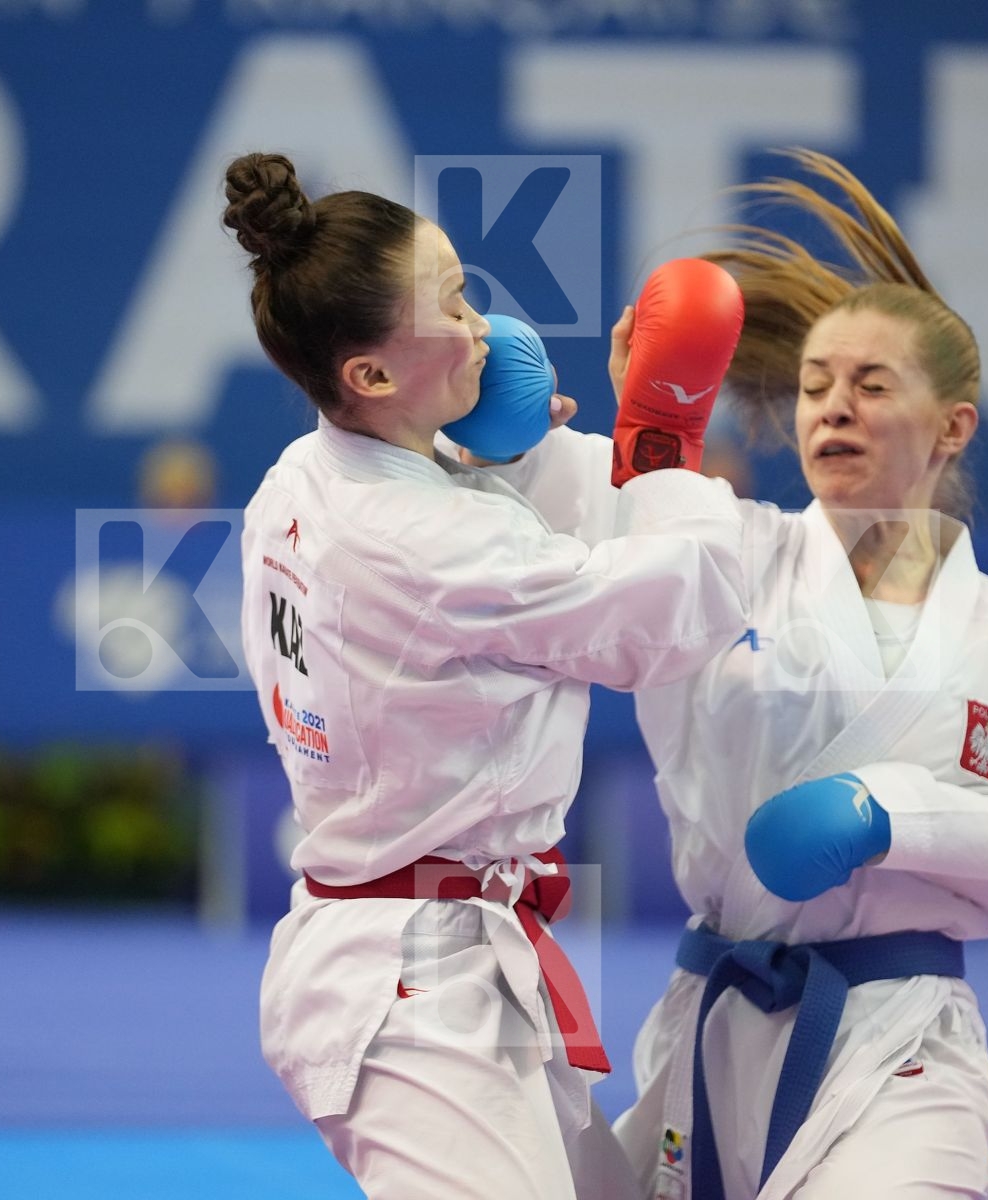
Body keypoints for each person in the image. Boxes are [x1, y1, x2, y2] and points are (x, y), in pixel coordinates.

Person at [467, 150, 988, 1199]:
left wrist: (895, 814)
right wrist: (604, 417)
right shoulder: (720, 555)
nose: (832, 408)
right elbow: (552, 500)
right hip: (714, 1031)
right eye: (816, 386)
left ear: (952, 427)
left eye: (872, 386)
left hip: (900, 1045)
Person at [224, 151, 751, 1200]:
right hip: (413, 989)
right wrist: (663, 439)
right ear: (369, 376)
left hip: (426, 950)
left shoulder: (311, 471)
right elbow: (671, 618)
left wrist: (512, 450)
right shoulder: (423, 543)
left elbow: (477, 530)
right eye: (456, 308)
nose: (484, 331)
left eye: (473, 293)